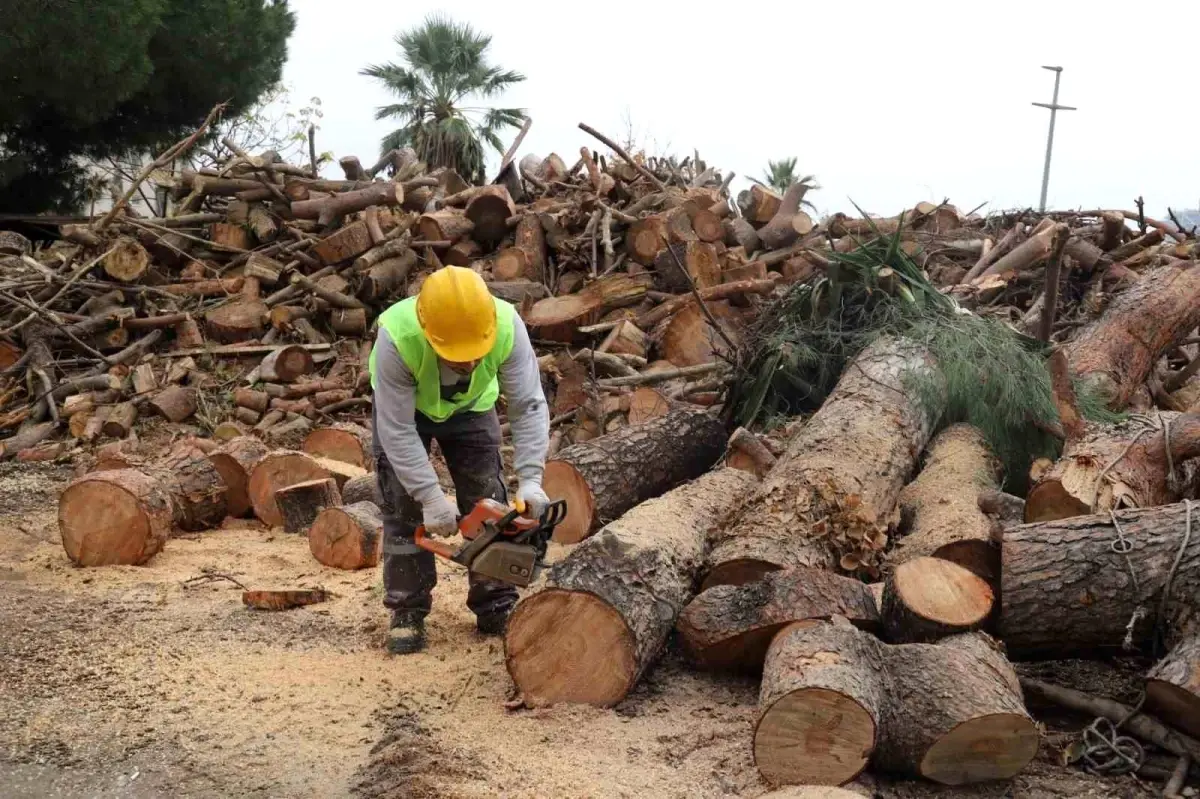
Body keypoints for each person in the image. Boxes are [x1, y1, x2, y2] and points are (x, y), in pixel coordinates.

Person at [368, 266, 550, 654]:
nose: (468, 364)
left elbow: (528, 403)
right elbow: (397, 430)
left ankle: (496, 602)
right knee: (402, 505)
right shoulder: (397, 339)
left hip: (473, 409)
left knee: (489, 501)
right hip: (405, 414)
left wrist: (532, 477)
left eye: (473, 355)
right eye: (457, 356)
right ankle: (407, 609)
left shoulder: (506, 326)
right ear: (430, 333)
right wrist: (430, 496)